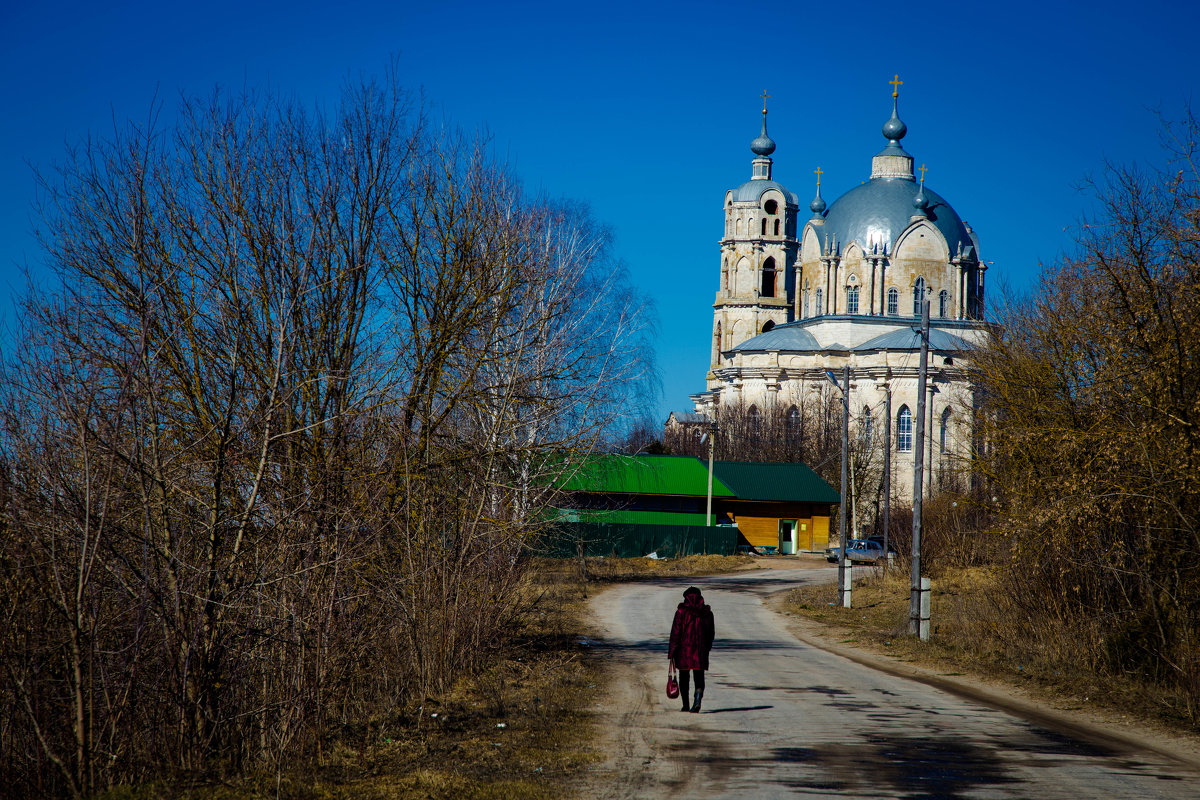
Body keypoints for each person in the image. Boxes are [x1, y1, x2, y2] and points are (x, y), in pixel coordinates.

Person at [668, 586, 715, 713]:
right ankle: (697, 700)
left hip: (684, 650)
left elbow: (675, 633)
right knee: (699, 677)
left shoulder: (681, 613)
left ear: (685, 598)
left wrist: (672, 651)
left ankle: (685, 705)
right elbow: (711, 633)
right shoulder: (707, 613)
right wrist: (707, 647)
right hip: (701, 650)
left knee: (684, 677)